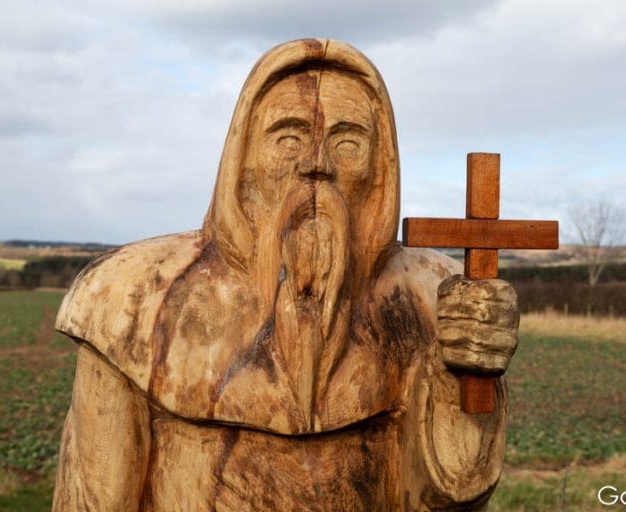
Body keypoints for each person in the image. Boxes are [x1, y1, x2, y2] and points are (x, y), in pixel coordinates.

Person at [52, 39, 519, 511]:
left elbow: (449, 493)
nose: (317, 163)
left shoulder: (433, 296)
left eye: (348, 143)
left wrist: (457, 374)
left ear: (381, 168)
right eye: (288, 139)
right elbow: (93, 498)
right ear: (243, 157)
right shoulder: (132, 299)